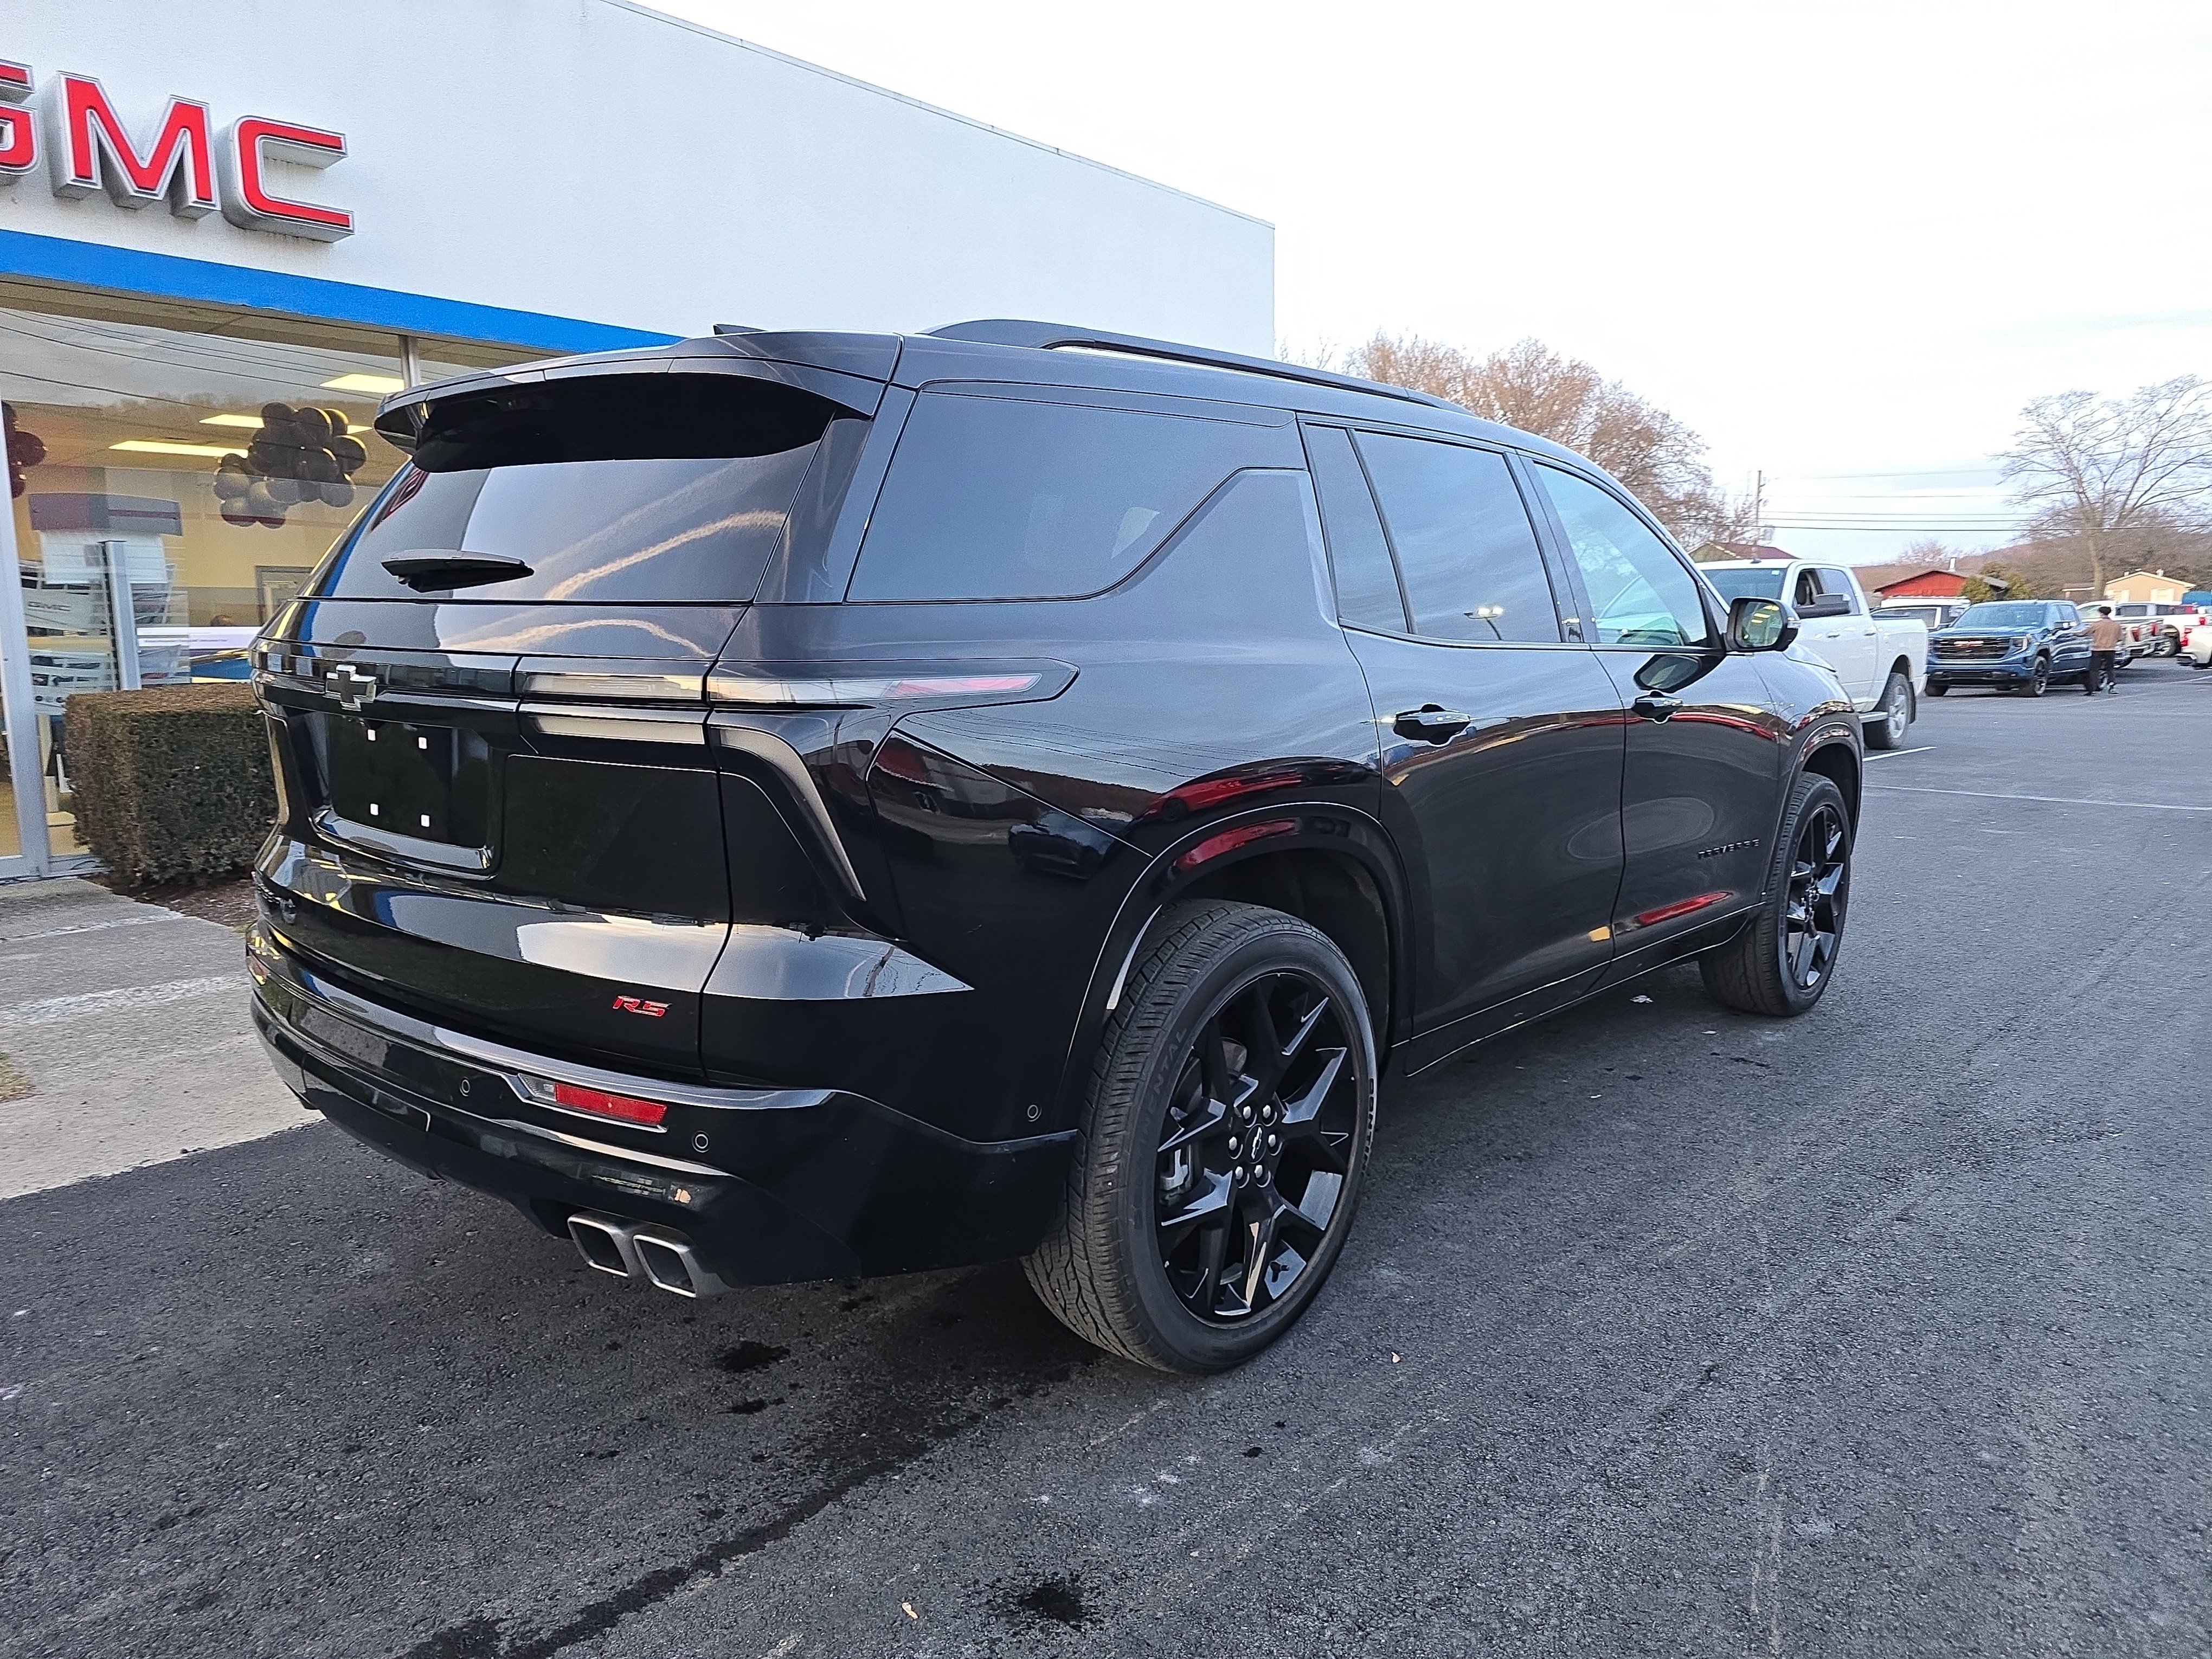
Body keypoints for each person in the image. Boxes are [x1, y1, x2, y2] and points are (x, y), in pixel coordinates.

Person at [2085, 604, 2124, 694]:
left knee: (2094, 669)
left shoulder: (2097, 624)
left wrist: (2074, 634)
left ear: (2101, 613)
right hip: (2111, 649)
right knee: (2110, 668)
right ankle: (2112, 686)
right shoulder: (2116, 625)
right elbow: (2121, 638)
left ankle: (2093, 689)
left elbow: (2085, 633)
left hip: (2097, 649)